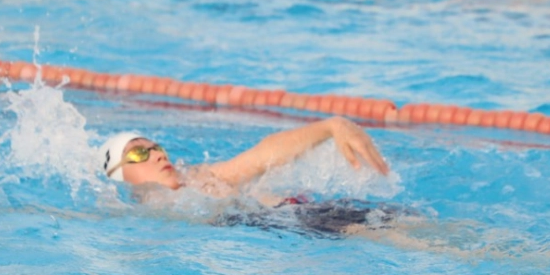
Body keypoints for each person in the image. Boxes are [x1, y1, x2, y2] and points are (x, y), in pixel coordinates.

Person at [99, 117, 419, 239]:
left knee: (416, 225)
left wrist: (329, 127)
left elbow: (262, 155)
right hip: (298, 225)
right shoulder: (144, 211)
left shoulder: (199, 178)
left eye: (157, 148)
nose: (157, 155)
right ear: (119, 175)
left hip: (305, 213)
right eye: (139, 153)